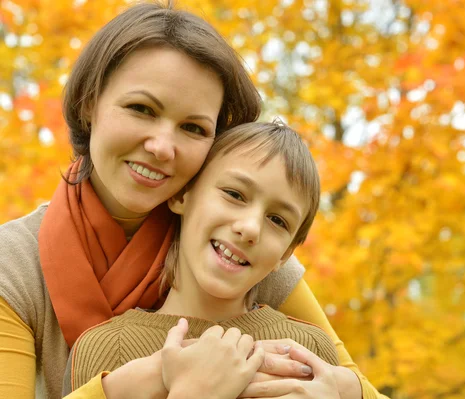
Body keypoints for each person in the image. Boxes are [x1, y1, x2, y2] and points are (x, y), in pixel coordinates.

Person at [0, 2, 386, 399]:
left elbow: (359, 386)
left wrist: (339, 388)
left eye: (193, 127)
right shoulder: (13, 265)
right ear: (89, 104)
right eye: (141, 109)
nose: (162, 147)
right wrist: (138, 383)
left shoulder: (234, 245)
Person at [64, 121, 342, 398]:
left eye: (278, 220)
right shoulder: (106, 348)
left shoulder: (308, 352)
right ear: (183, 195)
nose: (251, 228)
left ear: (286, 253)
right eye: (235, 195)